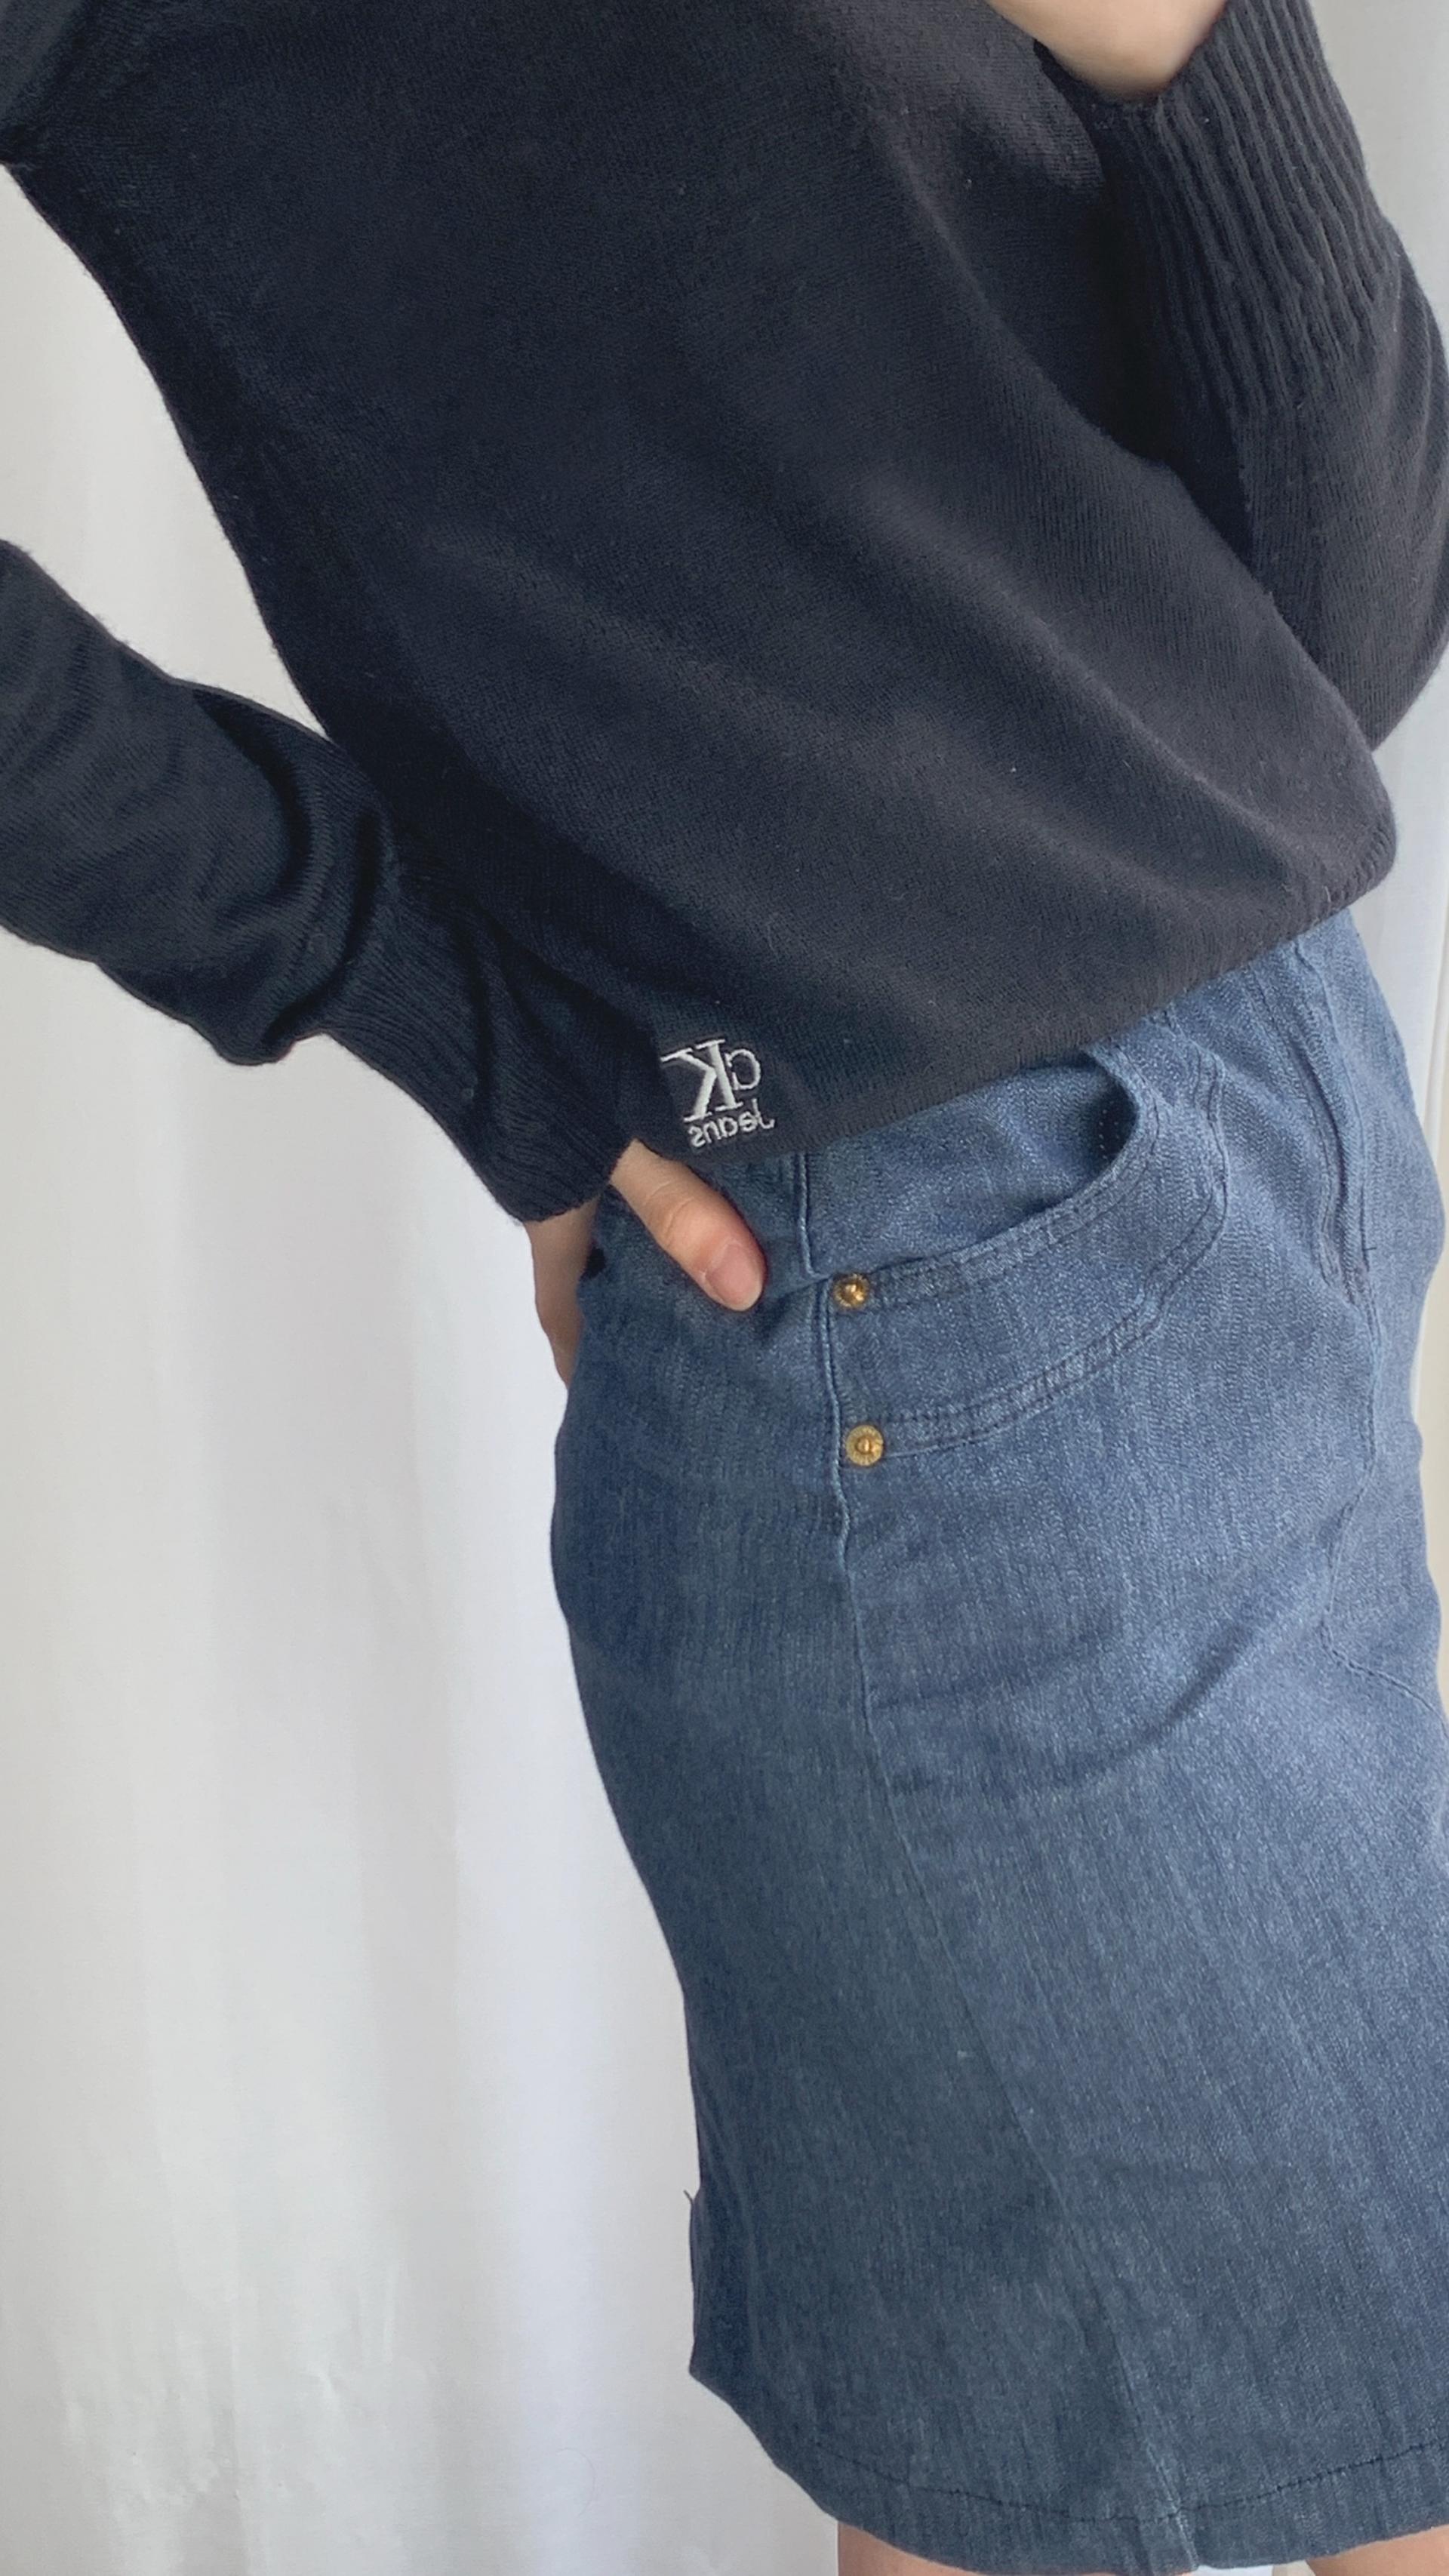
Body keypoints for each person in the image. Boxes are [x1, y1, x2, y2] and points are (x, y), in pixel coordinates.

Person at [4, 0, 1449, 2570]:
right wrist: (426, 992)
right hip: (933, 1298)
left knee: (1137, 2434)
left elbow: (1319, 668)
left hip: (1266, 1137)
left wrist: (1196, 58)